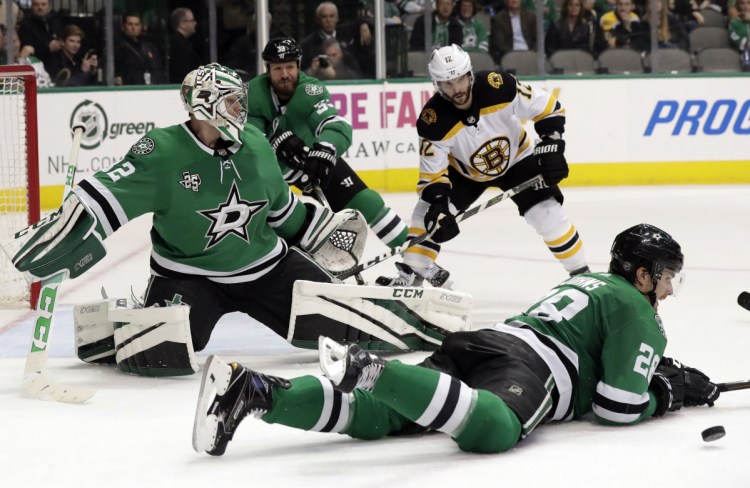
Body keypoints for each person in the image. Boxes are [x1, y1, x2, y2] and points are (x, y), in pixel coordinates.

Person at [5, 63, 439, 379]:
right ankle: (116, 322)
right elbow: (101, 199)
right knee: (161, 358)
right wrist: (66, 232)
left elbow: (281, 211)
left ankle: (421, 321)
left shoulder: (255, 144)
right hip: (189, 276)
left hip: (266, 268)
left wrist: (316, 230)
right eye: (232, 101)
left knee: (342, 332)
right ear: (205, 106)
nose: (241, 108)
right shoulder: (162, 152)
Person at [192, 223, 723, 457]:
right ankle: (372, 368)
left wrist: (656, 373)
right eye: (665, 275)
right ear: (642, 274)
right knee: (494, 430)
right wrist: (667, 392)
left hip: (485, 342)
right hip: (529, 368)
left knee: (382, 416)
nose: (669, 289)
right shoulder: (636, 308)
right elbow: (618, 407)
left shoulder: (586, 283)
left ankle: (256, 391)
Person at [377, 44, 588, 288]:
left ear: (469, 74)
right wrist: (438, 205)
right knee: (426, 217)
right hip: (465, 174)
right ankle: (412, 273)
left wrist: (551, 144)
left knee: (548, 214)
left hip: (517, 159)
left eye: (459, 79)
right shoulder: (432, 120)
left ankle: (582, 277)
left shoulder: (499, 86)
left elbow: (549, 108)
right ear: (437, 85)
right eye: (447, 83)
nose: (456, 89)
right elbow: (432, 174)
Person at [246, 38, 409, 252]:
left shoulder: (311, 90)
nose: (285, 74)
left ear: (299, 66)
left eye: (290, 67)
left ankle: (416, 259)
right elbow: (248, 138)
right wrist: (273, 141)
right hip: (268, 173)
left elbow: (336, 125)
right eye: (277, 68)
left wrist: (325, 149)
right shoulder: (252, 94)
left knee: (366, 201)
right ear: (267, 69)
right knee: (282, 227)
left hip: (308, 162)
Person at [114, 12, 166, 85]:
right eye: (130, 24)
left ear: (141, 27)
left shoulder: (149, 47)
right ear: (123, 26)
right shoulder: (118, 48)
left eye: (137, 24)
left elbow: (158, 69)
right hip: (130, 89)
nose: (133, 28)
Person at [17, 0, 61, 69]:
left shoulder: (54, 20)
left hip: (57, 61)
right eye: (36, 4)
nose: (40, 7)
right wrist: (48, 47)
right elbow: (28, 49)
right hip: (37, 64)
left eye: (43, 4)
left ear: (48, 7)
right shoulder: (26, 25)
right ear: (32, 7)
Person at [169, 7, 203, 83]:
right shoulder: (178, 46)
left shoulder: (184, 43)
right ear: (183, 24)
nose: (195, 23)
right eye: (192, 20)